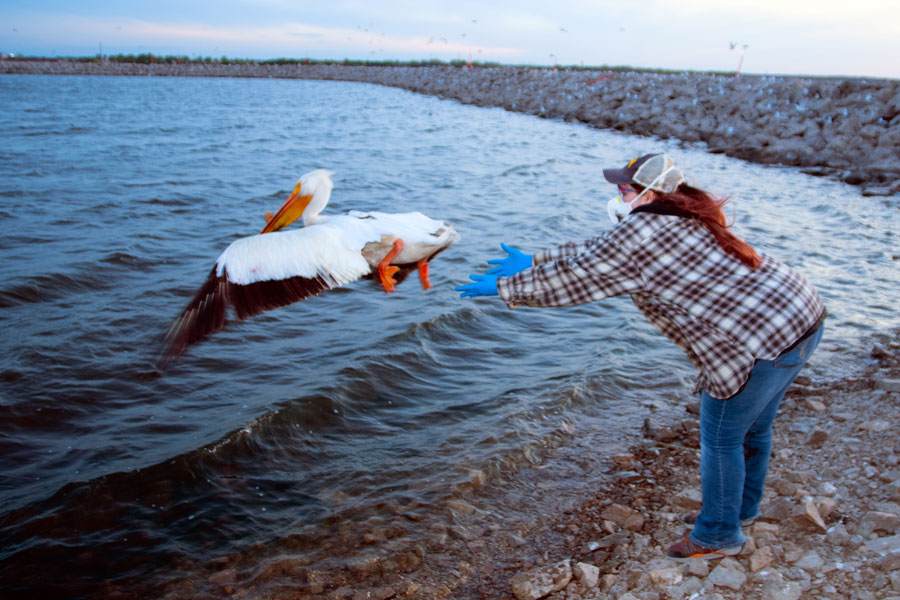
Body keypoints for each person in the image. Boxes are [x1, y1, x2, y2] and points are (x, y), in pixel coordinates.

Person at [456, 153, 826, 561]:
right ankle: (741, 511)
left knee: (722, 438)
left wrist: (509, 287)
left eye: (626, 188)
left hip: (761, 346)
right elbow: (597, 250)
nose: (619, 193)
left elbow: (578, 278)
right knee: (754, 428)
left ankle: (719, 534)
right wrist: (535, 259)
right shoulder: (689, 214)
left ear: (652, 192)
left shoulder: (641, 232)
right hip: (802, 320)